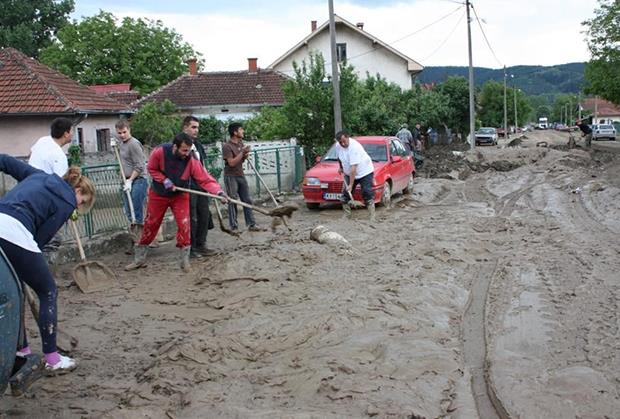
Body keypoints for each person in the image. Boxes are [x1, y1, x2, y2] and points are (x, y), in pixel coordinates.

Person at [0, 154, 95, 374]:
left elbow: (4, 161)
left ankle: (22, 352)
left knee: (15, 292)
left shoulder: (37, 175)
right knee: (48, 291)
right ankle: (52, 359)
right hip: (16, 232)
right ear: (78, 191)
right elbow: (40, 239)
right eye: (82, 201)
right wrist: (27, 264)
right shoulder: (67, 201)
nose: (78, 206)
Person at [125, 133, 227, 273]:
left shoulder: (191, 160)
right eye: (184, 150)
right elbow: (151, 169)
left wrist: (219, 192)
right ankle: (139, 259)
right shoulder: (159, 152)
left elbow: (205, 179)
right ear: (175, 147)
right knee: (151, 224)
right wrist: (165, 180)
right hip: (158, 194)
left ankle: (185, 261)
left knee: (184, 225)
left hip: (180, 195)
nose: (186, 154)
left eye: (189, 150)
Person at [182, 116, 215, 259]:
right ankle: (192, 248)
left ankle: (202, 245)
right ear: (185, 128)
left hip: (201, 185)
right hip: (188, 186)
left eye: (197, 128)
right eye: (193, 127)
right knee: (192, 218)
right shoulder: (180, 145)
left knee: (204, 215)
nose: (196, 130)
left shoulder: (198, 145)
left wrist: (209, 181)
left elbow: (202, 165)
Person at [222, 122, 264, 232]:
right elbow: (231, 163)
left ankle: (251, 224)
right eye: (241, 129)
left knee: (247, 200)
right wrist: (242, 153)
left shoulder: (240, 144)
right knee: (233, 200)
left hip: (240, 175)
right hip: (231, 177)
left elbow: (241, 160)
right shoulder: (227, 146)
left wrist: (245, 155)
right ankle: (233, 227)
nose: (243, 131)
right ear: (235, 132)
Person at [113, 119, 147, 237]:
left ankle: (142, 235)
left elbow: (140, 165)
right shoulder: (122, 144)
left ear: (129, 130)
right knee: (128, 210)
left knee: (136, 209)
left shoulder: (134, 144)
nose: (122, 135)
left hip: (138, 180)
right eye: (119, 133)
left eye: (124, 132)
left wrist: (130, 180)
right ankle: (135, 235)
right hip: (126, 180)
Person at [335, 130, 376, 222]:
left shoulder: (354, 147)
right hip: (348, 172)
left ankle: (372, 217)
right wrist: (341, 167)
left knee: (367, 192)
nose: (342, 144)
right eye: (340, 142)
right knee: (345, 194)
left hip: (364, 171)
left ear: (348, 137)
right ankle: (347, 216)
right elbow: (339, 158)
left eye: (344, 141)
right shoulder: (338, 146)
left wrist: (350, 185)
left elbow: (353, 169)